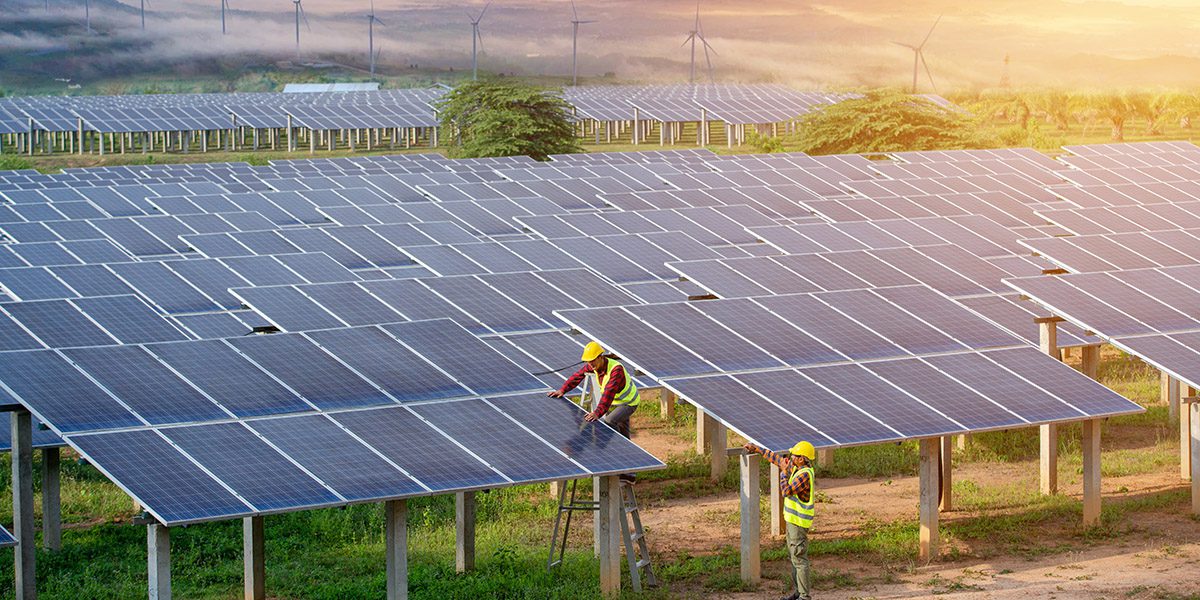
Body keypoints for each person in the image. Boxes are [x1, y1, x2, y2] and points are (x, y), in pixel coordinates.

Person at [744, 440, 816, 600]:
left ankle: (804, 597)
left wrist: (783, 473)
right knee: (794, 557)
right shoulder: (797, 468)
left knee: (799, 558)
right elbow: (776, 459)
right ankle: (798, 594)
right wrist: (757, 449)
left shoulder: (804, 475)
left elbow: (786, 491)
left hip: (799, 524)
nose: (790, 457)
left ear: (802, 458)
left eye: (794, 455)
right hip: (792, 522)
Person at [546, 341, 640, 439]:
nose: (590, 364)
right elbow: (578, 375)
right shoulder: (595, 365)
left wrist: (597, 413)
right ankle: (626, 448)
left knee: (610, 421)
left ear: (600, 357)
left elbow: (609, 393)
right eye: (588, 361)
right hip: (617, 401)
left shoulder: (616, 370)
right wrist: (562, 390)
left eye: (592, 360)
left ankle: (617, 444)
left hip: (629, 402)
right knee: (623, 431)